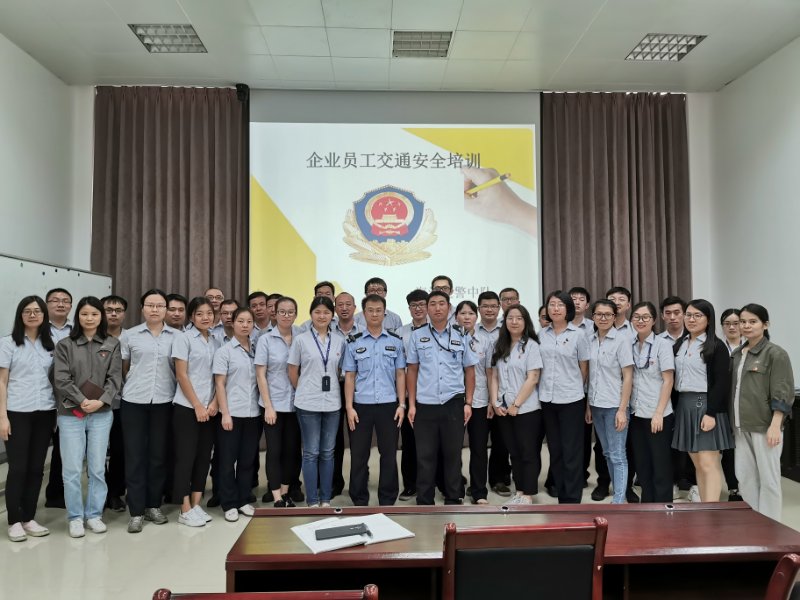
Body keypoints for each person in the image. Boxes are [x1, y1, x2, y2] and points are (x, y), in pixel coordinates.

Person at [53, 296, 122, 537]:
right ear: (77, 316)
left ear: (101, 316)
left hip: (101, 413)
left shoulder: (112, 344)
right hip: (71, 414)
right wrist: (82, 400)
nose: (89, 318)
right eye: (84, 314)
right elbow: (61, 379)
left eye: (94, 314)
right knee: (72, 469)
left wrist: (101, 401)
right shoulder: (65, 345)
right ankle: (75, 517)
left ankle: (94, 514)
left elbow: (115, 378)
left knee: (97, 467)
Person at [407, 290, 478, 505]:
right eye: (433, 304)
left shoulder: (461, 334)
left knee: (452, 454)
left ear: (449, 308)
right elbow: (412, 370)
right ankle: (425, 499)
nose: (437, 308)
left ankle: (453, 497)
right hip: (425, 404)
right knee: (425, 455)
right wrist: (411, 404)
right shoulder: (417, 335)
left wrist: (468, 402)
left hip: (453, 403)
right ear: (427, 308)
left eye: (441, 303)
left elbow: (469, 371)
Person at [120, 289, 178, 533]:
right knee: (135, 456)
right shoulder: (130, 335)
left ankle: (153, 505)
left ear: (166, 309)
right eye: (150, 305)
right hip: (133, 401)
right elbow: (124, 367)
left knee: (157, 456)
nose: (155, 309)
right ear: (142, 308)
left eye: (160, 305)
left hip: (164, 401)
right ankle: (136, 511)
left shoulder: (177, 336)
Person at [0, 296, 57, 542]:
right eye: (27, 311)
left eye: (37, 311)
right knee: (18, 467)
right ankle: (14, 520)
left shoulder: (51, 344)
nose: (32, 315)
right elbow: (2, 382)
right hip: (17, 412)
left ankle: (28, 517)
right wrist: (2, 417)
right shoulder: (8, 343)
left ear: (44, 315)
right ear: (20, 315)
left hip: (45, 411)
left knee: (36, 468)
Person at [730, 303, 794, 520]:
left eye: (753, 321)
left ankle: (771, 527)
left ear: (765, 325)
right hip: (741, 426)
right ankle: (755, 523)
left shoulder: (775, 354)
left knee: (769, 480)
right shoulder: (737, 354)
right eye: (743, 322)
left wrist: (776, 425)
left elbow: (782, 391)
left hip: (765, 426)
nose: (746, 326)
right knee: (745, 478)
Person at [343, 294, 406, 506]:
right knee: (359, 454)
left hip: (389, 405)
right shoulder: (353, 342)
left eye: (379, 310)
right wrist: (349, 407)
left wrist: (402, 404)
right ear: (364, 313)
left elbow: (400, 374)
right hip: (361, 406)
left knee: (388, 454)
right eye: (370, 310)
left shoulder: (395, 341)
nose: (375, 314)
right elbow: (350, 376)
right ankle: (359, 498)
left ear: (384, 313)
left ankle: (387, 499)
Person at [672, 299, 734, 503]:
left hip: (706, 407)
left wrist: (711, 413)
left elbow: (721, 383)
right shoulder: (680, 344)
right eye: (688, 315)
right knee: (698, 464)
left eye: (697, 315)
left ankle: (712, 509)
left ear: (708, 319)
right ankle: (704, 508)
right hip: (685, 405)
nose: (691, 319)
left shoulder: (716, 346)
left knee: (709, 463)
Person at [288, 296, 345, 507]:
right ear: (311, 314)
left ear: (332, 315)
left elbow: (339, 371)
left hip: (332, 403)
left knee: (328, 452)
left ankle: (325, 499)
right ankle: (312, 500)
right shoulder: (301, 340)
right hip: (307, 403)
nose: (322, 316)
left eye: (326, 312)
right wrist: (304, 388)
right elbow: (292, 370)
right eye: (317, 312)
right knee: (311, 452)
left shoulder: (339, 340)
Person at [171, 297, 219, 527]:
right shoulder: (183, 338)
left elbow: (220, 376)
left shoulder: (216, 340)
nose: (205, 317)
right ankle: (184, 509)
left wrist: (214, 403)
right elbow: (181, 375)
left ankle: (196, 504)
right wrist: (198, 405)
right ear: (191, 317)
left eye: (209, 313)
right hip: (187, 407)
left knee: (203, 457)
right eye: (199, 314)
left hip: (210, 409)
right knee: (185, 458)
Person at [538, 290, 589, 504]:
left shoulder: (578, 334)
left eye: (560, 304)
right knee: (556, 450)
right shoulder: (541, 334)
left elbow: (584, 368)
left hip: (571, 400)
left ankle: (572, 498)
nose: (556, 308)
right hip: (547, 400)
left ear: (568, 308)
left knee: (571, 451)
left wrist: (574, 387)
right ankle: (561, 494)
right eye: (552, 304)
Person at [489, 304, 543, 505]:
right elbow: (494, 376)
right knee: (514, 452)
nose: (514, 322)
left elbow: (533, 378)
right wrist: (495, 402)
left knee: (528, 452)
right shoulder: (500, 345)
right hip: (504, 409)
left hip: (526, 409)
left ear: (525, 321)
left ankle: (528, 494)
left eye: (519, 318)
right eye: (510, 318)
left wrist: (517, 404)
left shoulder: (532, 346)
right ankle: (519, 491)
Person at [213, 307, 261, 522]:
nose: (245, 325)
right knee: (226, 460)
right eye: (240, 321)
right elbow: (219, 384)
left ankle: (243, 500)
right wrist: (225, 413)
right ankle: (229, 503)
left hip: (253, 413)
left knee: (247, 460)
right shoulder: (224, 351)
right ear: (232, 323)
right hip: (231, 412)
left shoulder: (257, 349)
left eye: (249, 321)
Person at [255, 296, 302, 507]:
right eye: (282, 311)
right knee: (274, 451)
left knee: (292, 451)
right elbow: (260, 374)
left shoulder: (302, 337)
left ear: (296, 314)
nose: (286, 315)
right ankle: (276, 497)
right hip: (273, 404)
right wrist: (268, 406)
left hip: (297, 404)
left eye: (290, 312)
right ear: (275, 313)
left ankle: (285, 492)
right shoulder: (266, 339)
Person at [586, 300, 634, 504]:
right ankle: (618, 496)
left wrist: (622, 410)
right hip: (596, 405)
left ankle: (619, 500)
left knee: (618, 454)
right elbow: (590, 376)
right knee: (607, 453)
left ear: (615, 317)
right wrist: (588, 406)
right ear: (593, 317)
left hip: (615, 405)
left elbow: (628, 376)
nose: (603, 318)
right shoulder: (590, 340)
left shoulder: (622, 341)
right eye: (599, 314)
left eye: (608, 314)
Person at [629, 301, 675, 503]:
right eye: (637, 317)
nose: (641, 321)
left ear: (654, 320)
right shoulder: (630, 344)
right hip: (636, 412)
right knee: (642, 463)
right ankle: (647, 505)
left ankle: (663, 506)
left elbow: (668, 380)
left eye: (645, 317)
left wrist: (658, 413)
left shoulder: (662, 345)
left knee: (660, 464)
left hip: (658, 414)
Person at [456, 300, 492, 504]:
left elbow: (490, 372)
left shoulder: (485, 340)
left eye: (470, 313)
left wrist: (491, 400)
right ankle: (456, 489)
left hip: (479, 401)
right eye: (462, 313)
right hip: (454, 401)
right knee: (454, 449)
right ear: (456, 317)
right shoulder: (449, 339)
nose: (467, 317)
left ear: (476, 317)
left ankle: (479, 491)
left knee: (479, 448)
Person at [476, 291, 512, 498]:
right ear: (479, 309)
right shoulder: (470, 331)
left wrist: (495, 399)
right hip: (477, 397)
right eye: (485, 306)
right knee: (478, 444)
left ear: (499, 308)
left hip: (502, 396)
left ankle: (498, 479)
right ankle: (477, 483)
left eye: (493, 306)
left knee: (501, 441)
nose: (489, 310)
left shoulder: (508, 330)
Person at [396, 289, 429, 501]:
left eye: (421, 304)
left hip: (430, 395)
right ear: (409, 308)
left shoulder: (437, 331)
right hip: (407, 395)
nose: (418, 309)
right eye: (413, 305)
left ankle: (433, 482)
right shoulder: (400, 333)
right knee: (409, 443)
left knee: (432, 443)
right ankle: (410, 485)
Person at [45, 287, 73, 509]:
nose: (60, 304)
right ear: (46, 304)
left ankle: (56, 494)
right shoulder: (37, 328)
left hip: (69, 398)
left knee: (63, 450)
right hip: (41, 397)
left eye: (65, 300)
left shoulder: (77, 330)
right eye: (55, 300)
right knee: (35, 453)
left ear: (71, 306)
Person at [102, 294, 128, 512]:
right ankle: (99, 493)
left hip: (124, 403)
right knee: (97, 452)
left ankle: (116, 493)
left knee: (121, 450)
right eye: (108, 310)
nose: (113, 314)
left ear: (124, 314)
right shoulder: (93, 336)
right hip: (96, 404)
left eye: (118, 310)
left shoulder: (131, 337)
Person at [720, 308, 743, 501]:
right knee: (729, 450)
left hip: (745, 406)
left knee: (745, 449)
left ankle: (748, 487)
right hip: (723, 406)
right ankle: (733, 488)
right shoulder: (719, 348)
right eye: (727, 324)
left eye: (736, 323)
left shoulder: (749, 348)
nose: (732, 327)